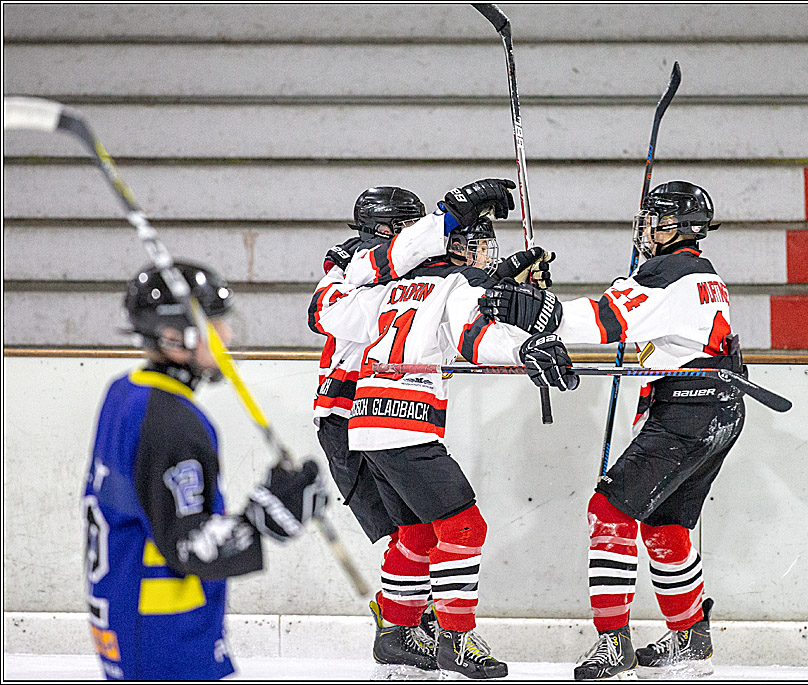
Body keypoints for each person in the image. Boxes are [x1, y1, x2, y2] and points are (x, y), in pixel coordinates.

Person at [479, 181, 745, 679]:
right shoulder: (698, 274)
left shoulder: (671, 273)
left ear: (676, 227)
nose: (646, 228)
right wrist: (547, 308)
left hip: (687, 412)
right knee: (666, 527)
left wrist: (537, 309)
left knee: (608, 512)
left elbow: (603, 320)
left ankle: (613, 646)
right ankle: (689, 640)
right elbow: (621, 316)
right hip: (717, 408)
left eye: (655, 219)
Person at [316, 178, 577, 679]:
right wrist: (523, 346)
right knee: (463, 527)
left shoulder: (391, 285)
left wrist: (502, 286)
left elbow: (438, 298)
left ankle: (398, 632)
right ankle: (454, 639)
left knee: (415, 532)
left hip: (364, 421)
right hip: (387, 421)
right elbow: (472, 331)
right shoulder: (364, 262)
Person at [83, 262, 328, 680]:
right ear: (175, 336)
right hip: (163, 636)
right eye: (215, 323)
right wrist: (266, 516)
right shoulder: (173, 424)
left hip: (126, 618)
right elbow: (190, 547)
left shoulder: (125, 394)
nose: (228, 335)